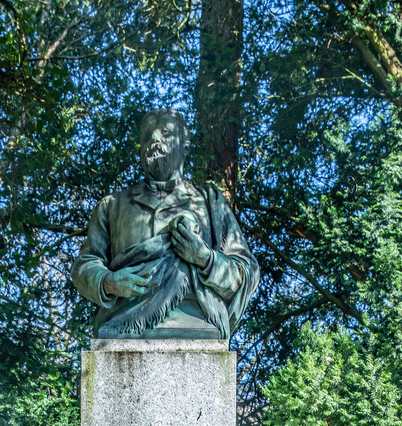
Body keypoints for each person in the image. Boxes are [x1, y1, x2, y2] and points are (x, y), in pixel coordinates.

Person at [71, 109, 260, 339]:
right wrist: (108, 282)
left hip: (198, 323)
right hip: (121, 323)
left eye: (166, 132)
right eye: (147, 135)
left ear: (186, 145)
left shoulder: (212, 204)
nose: (154, 139)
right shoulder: (112, 206)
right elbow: (85, 265)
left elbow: (246, 273)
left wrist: (205, 258)